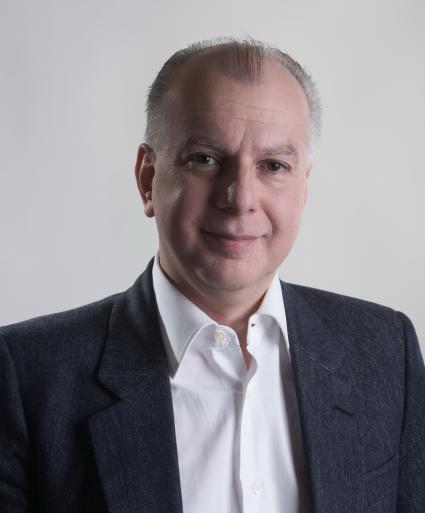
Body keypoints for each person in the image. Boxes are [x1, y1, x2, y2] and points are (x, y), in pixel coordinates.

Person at [0, 37, 424, 513]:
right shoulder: (27, 376)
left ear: (303, 187)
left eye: (273, 165)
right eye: (205, 159)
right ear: (147, 179)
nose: (240, 198)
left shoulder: (386, 353)